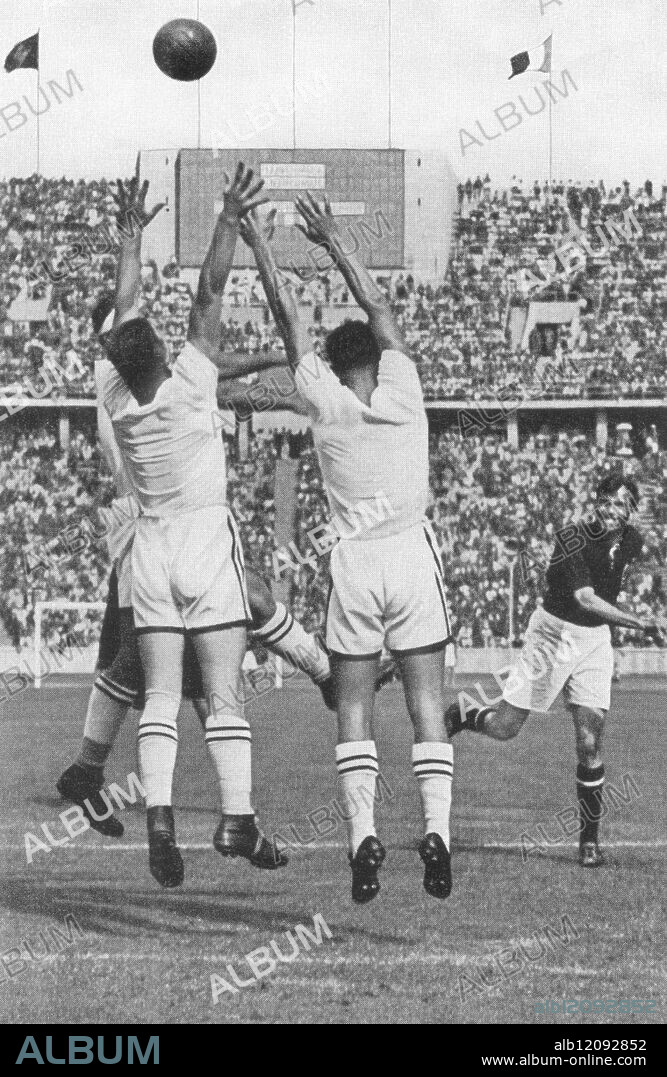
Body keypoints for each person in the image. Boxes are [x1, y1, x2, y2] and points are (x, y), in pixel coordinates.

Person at [239, 196, 455, 903]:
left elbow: (285, 318)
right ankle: (435, 834)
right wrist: (335, 244)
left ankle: (362, 836)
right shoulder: (404, 385)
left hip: (355, 564)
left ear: (332, 364)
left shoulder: (323, 402)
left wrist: (260, 244)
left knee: (352, 705)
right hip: (410, 556)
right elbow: (379, 304)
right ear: (378, 357)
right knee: (427, 702)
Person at [97, 160, 288, 887]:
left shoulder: (119, 396)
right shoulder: (191, 380)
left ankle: (160, 818)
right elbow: (209, 290)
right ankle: (236, 816)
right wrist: (229, 219)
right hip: (205, 540)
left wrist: (128, 233)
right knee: (223, 689)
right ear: (162, 350)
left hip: (149, 548)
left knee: (161, 697)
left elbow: (123, 303)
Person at [446, 473, 667, 867]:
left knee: (589, 740)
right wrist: (640, 622)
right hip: (553, 635)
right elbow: (585, 598)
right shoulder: (571, 538)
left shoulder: (631, 539)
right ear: (597, 500)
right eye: (612, 502)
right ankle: (466, 714)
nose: (617, 511)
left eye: (625, 506)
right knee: (506, 728)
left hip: (594, 640)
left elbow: (648, 562)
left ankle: (589, 841)